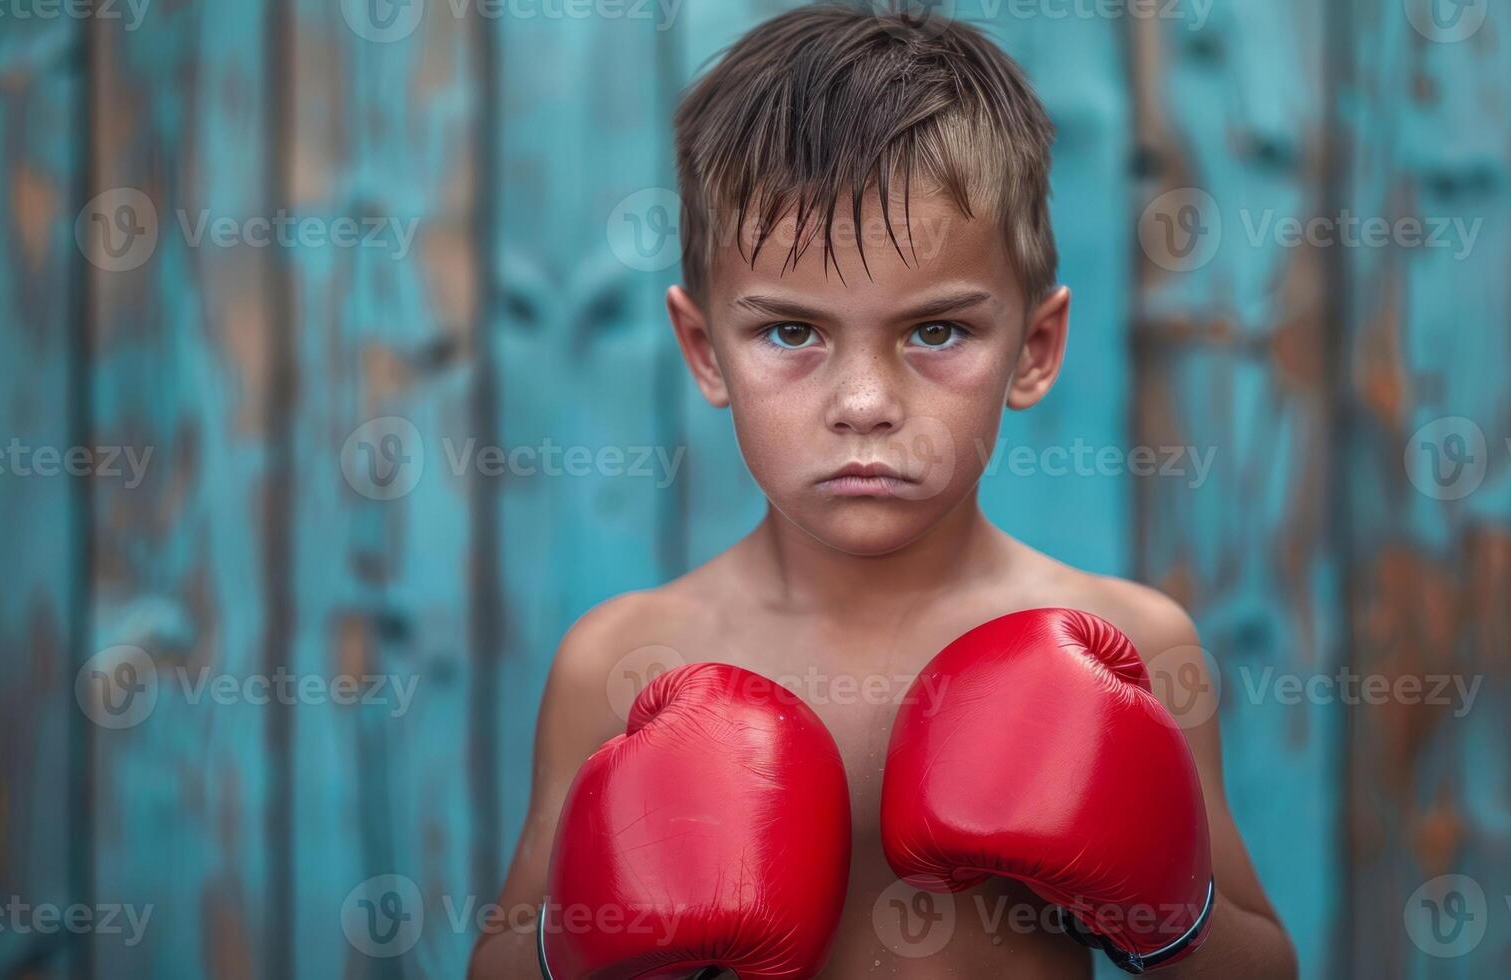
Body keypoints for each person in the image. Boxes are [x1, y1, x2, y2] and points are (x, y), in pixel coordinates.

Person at [469, 4, 1296, 977]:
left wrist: (1168, 909)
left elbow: (1259, 962)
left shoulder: (1130, 641)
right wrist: (590, 942)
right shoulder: (619, 660)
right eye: (790, 332)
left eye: (937, 330)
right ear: (704, 351)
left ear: (1035, 350)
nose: (864, 404)